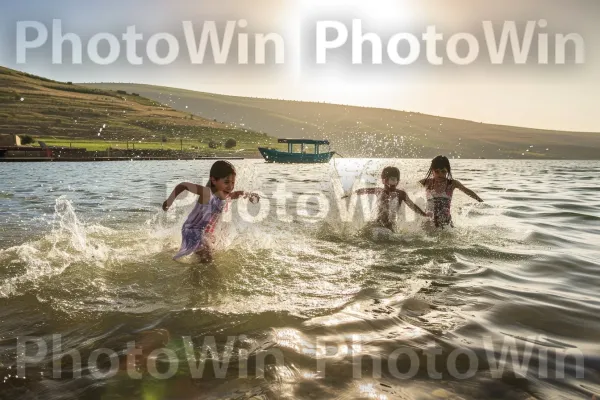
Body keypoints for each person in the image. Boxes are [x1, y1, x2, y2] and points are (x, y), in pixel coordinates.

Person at [162, 160, 259, 261]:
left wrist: (249, 195)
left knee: (212, 251)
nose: (230, 186)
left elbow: (236, 194)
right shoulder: (206, 193)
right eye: (226, 182)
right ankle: (198, 274)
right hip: (192, 230)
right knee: (207, 258)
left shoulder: (224, 195)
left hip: (205, 232)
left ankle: (193, 267)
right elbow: (183, 185)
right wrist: (169, 201)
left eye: (233, 182)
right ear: (213, 180)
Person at [343, 166, 427, 231]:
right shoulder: (379, 191)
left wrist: (424, 215)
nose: (390, 183)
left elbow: (412, 206)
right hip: (377, 223)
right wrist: (349, 195)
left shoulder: (401, 194)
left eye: (394, 180)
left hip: (391, 227)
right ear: (383, 181)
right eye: (387, 180)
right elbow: (362, 191)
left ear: (398, 181)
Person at [419, 155, 483, 228]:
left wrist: (480, 200)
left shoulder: (452, 183)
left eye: (443, 171)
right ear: (432, 171)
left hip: (446, 221)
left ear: (447, 171)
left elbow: (467, 191)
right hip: (429, 221)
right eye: (437, 171)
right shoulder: (426, 182)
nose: (440, 174)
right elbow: (410, 187)